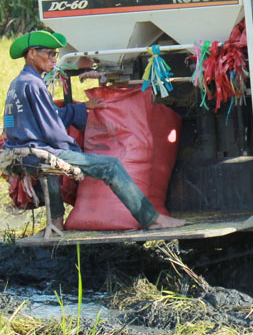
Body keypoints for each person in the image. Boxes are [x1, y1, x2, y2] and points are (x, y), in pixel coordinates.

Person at [2, 30, 184, 231]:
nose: (54, 59)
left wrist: (85, 107)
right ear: (32, 54)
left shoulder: (18, 83)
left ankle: (55, 224)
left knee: (50, 166)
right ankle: (151, 219)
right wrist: (74, 151)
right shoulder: (34, 84)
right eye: (50, 54)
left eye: (55, 54)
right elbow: (51, 127)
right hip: (37, 153)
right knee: (111, 165)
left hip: (22, 154)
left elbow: (50, 115)